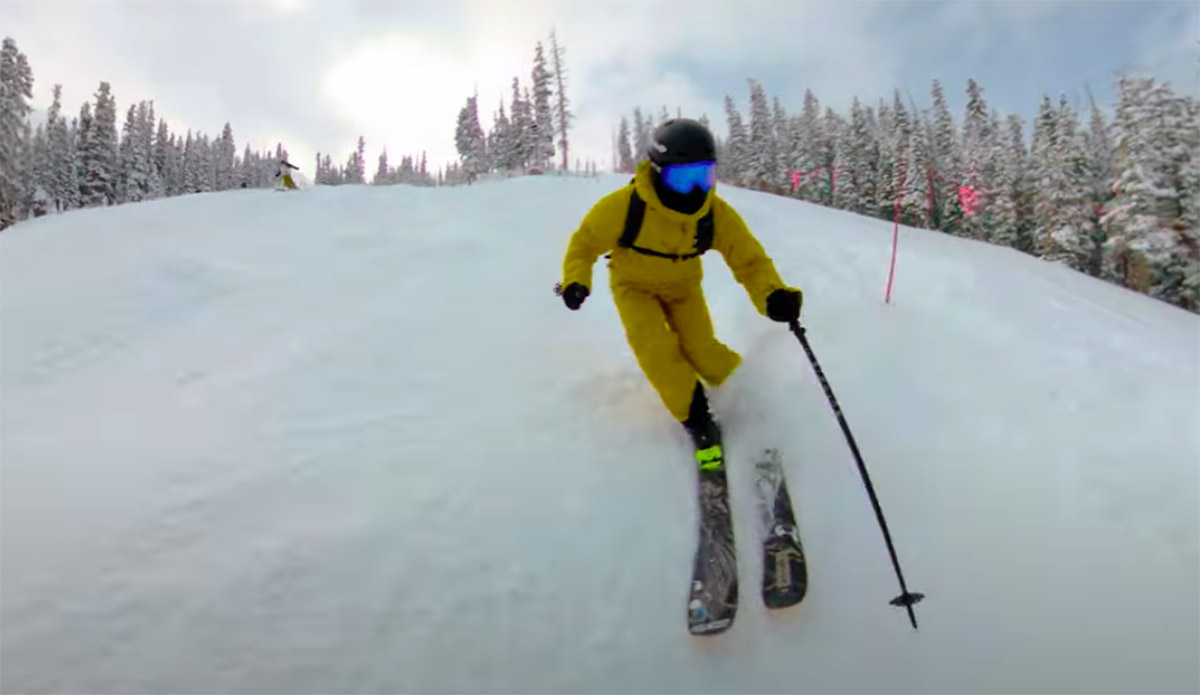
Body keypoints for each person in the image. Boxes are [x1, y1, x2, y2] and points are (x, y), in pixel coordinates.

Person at [557, 118, 803, 466]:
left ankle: (750, 395)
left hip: (683, 289)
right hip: (635, 288)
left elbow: (749, 260)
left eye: (702, 177)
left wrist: (772, 294)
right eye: (682, 179)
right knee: (657, 351)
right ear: (658, 172)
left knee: (703, 349)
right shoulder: (625, 206)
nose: (693, 191)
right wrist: (575, 280)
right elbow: (583, 245)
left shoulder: (713, 214)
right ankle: (698, 419)